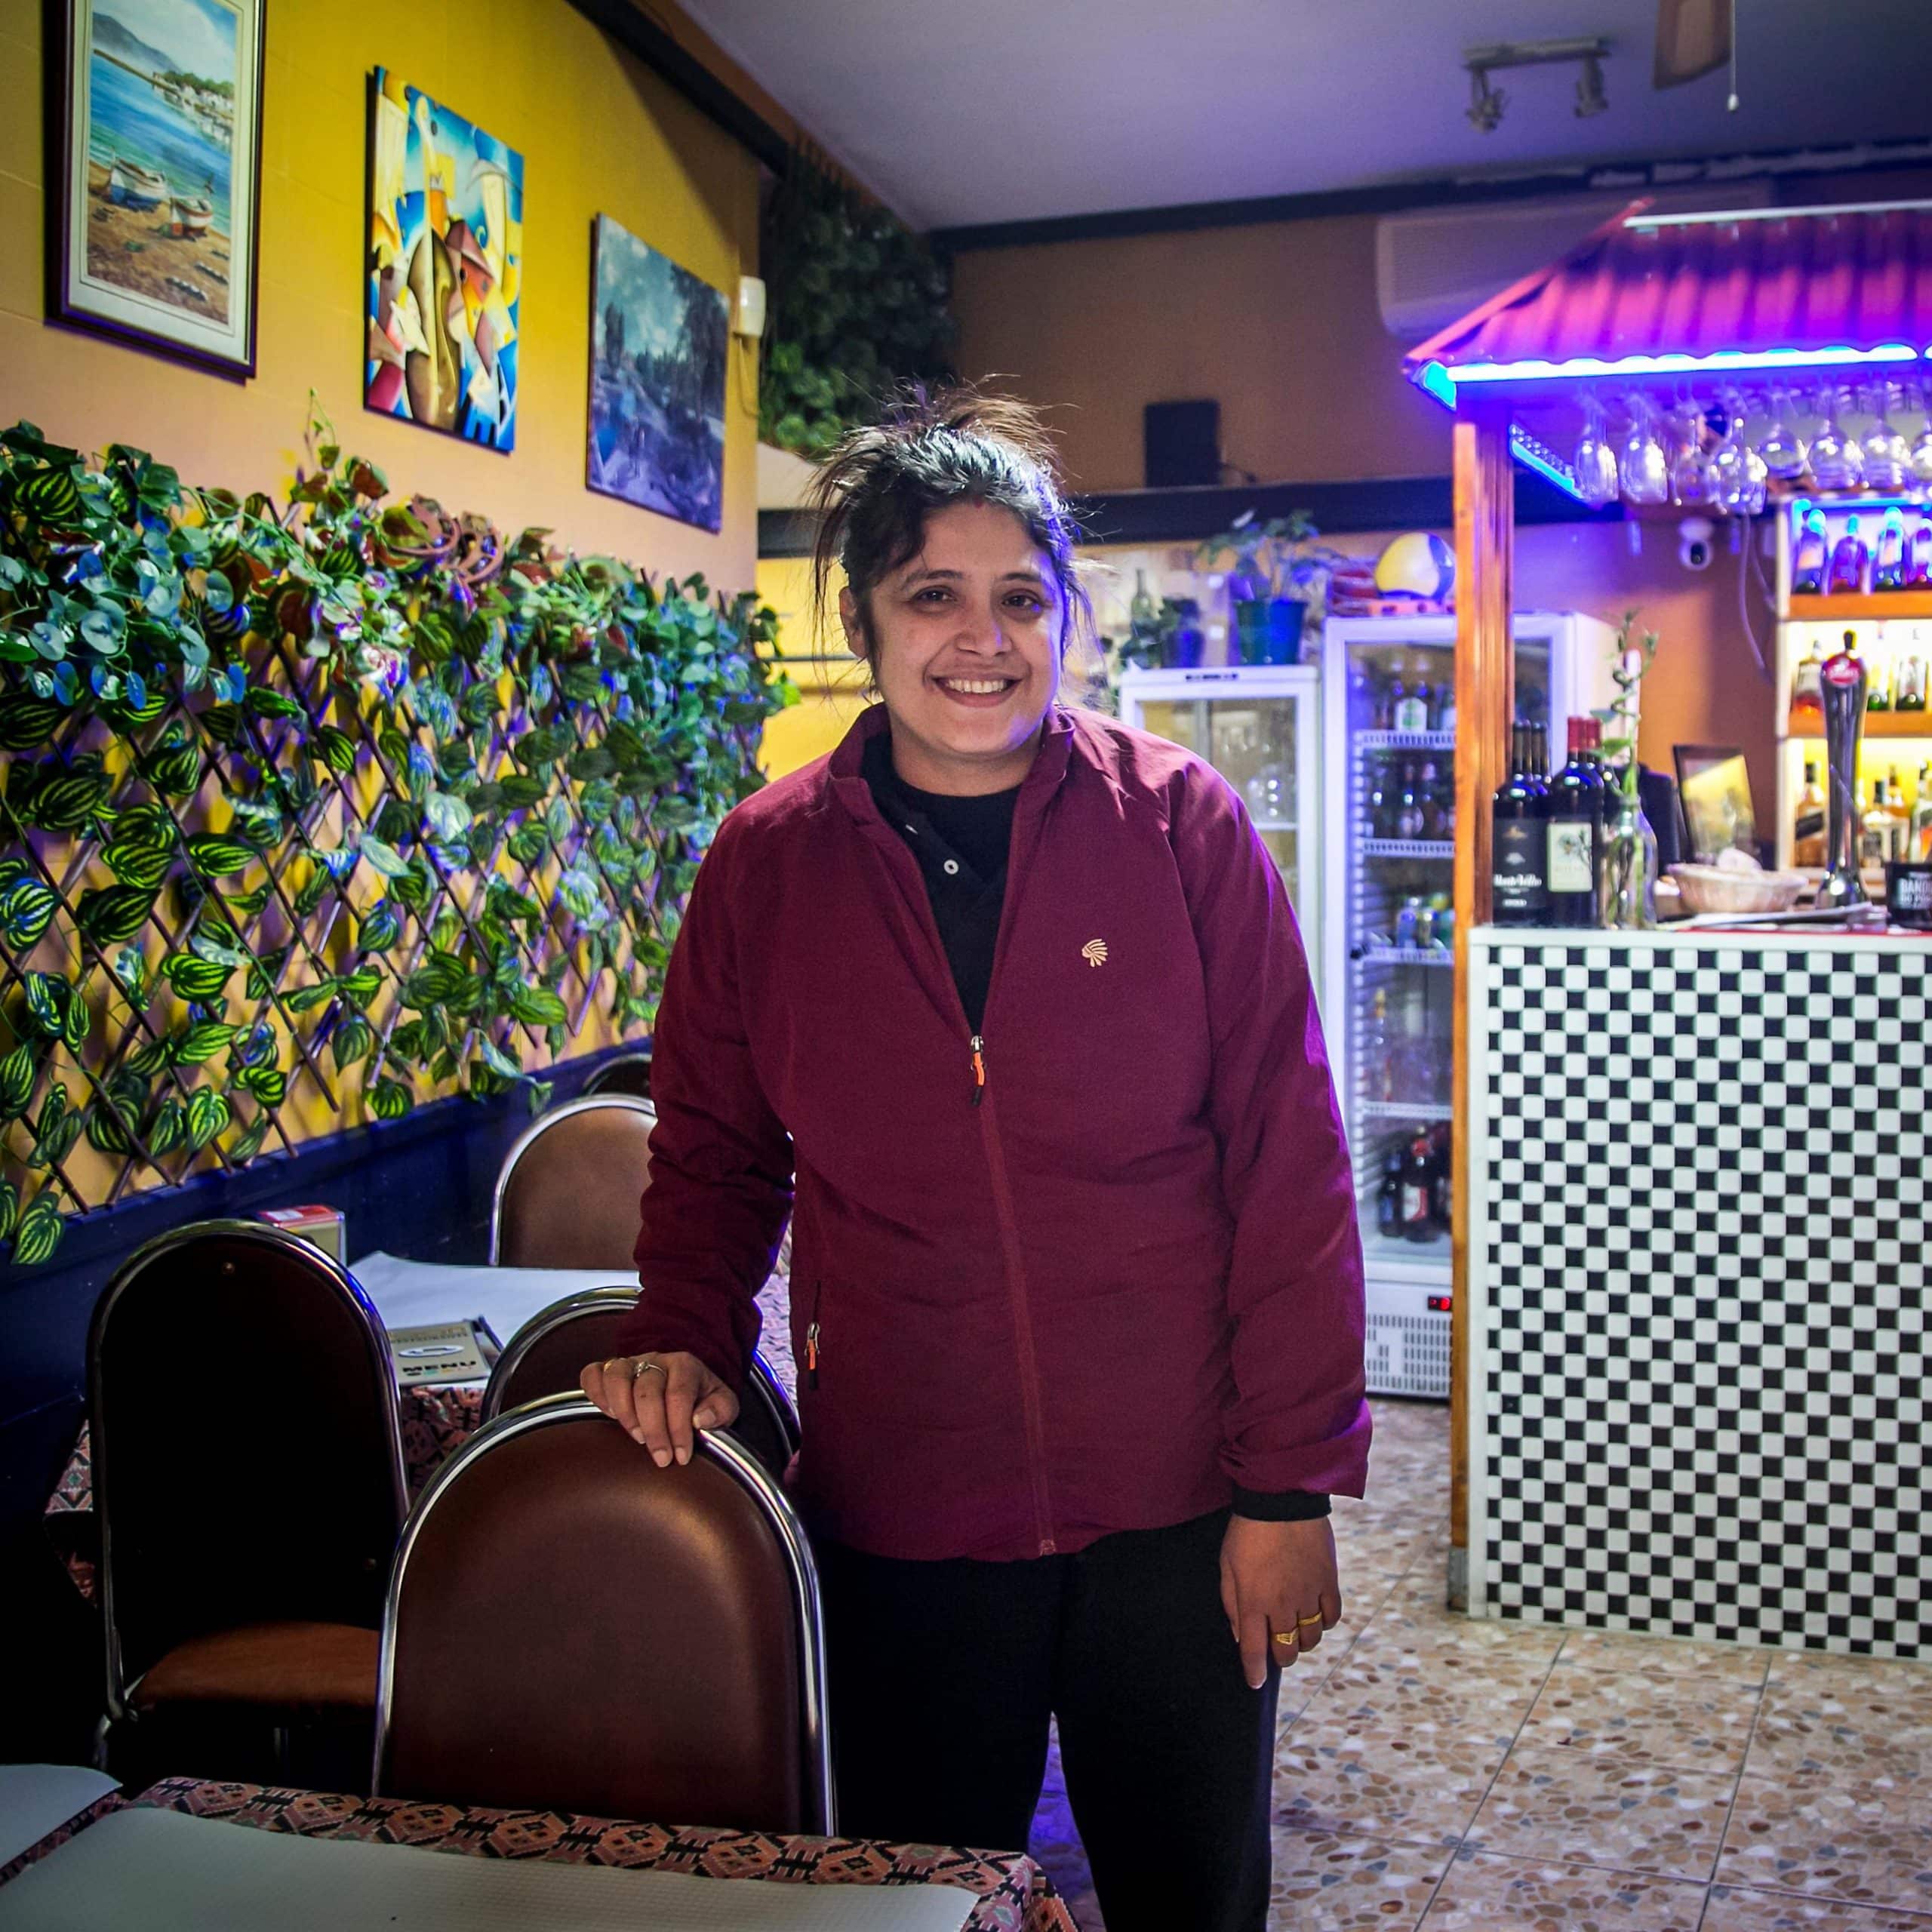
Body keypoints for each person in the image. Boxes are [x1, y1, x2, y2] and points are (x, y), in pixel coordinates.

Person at [583, 387, 1369, 1932]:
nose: (980, 636)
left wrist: (1285, 1486)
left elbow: (1290, 1167)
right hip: (903, 1511)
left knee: (1189, 1903)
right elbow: (720, 1149)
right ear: (863, 623)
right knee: (913, 1902)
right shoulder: (764, 862)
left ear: (1063, 615)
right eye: (929, 594)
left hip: (1179, 1506)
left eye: (1020, 596)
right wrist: (682, 1325)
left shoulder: (1181, 828)